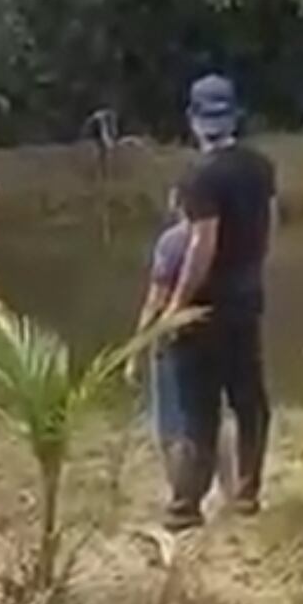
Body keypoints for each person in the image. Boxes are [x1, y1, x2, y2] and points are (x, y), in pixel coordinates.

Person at [162, 73, 276, 529]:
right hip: (246, 298)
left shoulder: (199, 176)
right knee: (249, 400)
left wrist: (178, 303)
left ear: (194, 120)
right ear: (234, 117)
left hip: (205, 306)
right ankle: (246, 493)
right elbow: (271, 224)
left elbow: (201, 243)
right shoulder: (260, 166)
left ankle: (185, 505)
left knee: (198, 408)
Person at [130, 190, 191, 498]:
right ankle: (232, 493)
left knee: (170, 428)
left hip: (174, 338)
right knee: (214, 420)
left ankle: (180, 498)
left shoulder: (172, 242)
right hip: (215, 337)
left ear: (177, 203)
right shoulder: (228, 236)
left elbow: (155, 300)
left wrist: (136, 349)